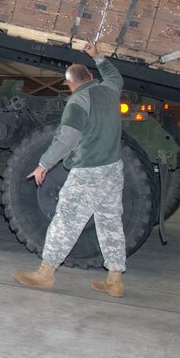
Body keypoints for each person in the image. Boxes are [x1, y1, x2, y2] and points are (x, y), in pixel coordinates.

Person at [13, 41, 127, 297]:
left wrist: (43, 164)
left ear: (70, 83)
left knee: (65, 221)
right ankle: (115, 280)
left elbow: (67, 139)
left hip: (89, 172)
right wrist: (97, 56)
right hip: (113, 168)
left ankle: (45, 274)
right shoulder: (109, 89)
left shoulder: (78, 102)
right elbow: (114, 75)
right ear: (89, 77)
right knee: (110, 223)